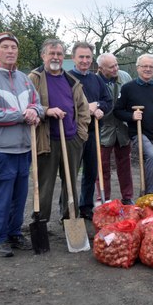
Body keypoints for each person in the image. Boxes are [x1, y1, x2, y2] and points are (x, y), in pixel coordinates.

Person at [0, 32, 44, 257]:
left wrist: (35, 111)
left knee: (20, 195)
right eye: (5, 47)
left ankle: (15, 233)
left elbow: (38, 105)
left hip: (23, 147)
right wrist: (24, 115)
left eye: (14, 47)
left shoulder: (24, 79)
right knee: (2, 195)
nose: (11, 51)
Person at [29, 39, 91, 224]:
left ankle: (70, 218)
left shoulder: (71, 80)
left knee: (70, 182)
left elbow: (83, 109)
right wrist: (46, 111)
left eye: (59, 54)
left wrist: (80, 135)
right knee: (45, 184)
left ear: (64, 57)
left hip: (72, 139)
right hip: (46, 140)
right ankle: (40, 220)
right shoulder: (34, 78)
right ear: (43, 55)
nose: (55, 57)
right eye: (52, 53)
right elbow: (28, 106)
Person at [114, 53, 153, 194]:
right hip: (139, 133)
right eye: (144, 66)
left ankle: (143, 196)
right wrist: (132, 116)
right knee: (152, 156)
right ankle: (152, 195)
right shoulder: (128, 88)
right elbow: (117, 111)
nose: (148, 69)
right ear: (138, 68)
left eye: (151, 66)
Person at [69, 42, 112, 220]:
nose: (85, 60)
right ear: (73, 58)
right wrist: (87, 108)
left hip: (93, 132)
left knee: (91, 171)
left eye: (88, 57)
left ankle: (86, 206)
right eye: (81, 57)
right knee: (70, 173)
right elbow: (65, 105)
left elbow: (108, 101)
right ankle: (68, 210)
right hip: (73, 133)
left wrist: (100, 107)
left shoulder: (97, 79)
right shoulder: (67, 78)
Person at [96, 53, 134, 205]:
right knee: (103, 165)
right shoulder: (95, 81)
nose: (115, 69)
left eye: (116, 64)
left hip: (122, 128)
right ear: (101, 68)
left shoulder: (124, 77)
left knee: (125, 164)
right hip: (104, 129)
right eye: (111, 67)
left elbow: (132, 97)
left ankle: (128, 197)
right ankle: (104, 199)